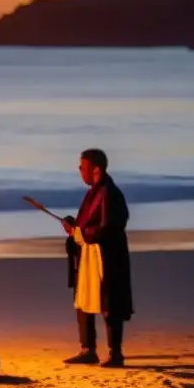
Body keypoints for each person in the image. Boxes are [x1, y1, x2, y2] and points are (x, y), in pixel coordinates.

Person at [62, 149, 134, 367]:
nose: (79, 171)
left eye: (82, 167)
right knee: (83, 299)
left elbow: (112, 226)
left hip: (106, 256)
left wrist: (81, 233)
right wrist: (74, 227)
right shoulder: (94, 192)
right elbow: (87, 223)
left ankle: (115, 354)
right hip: (90, 253)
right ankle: (88, 349)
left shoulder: (110, 193)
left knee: (108, 303)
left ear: (96, 169)